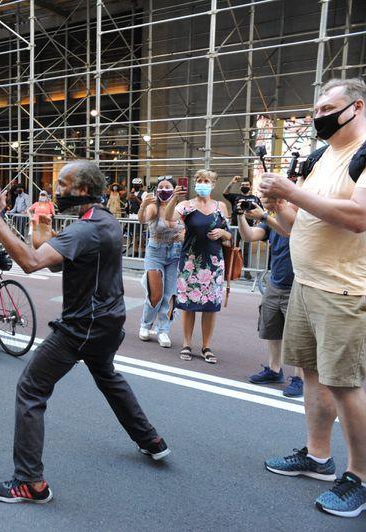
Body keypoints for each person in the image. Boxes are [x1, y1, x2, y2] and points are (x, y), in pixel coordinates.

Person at [0, 160, 169, 504]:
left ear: (83, 190)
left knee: (31, 388)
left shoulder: (84, 230)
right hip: (109, 321)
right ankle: (151, 440)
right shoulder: (103, 221)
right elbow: (52, 258)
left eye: (63, 184)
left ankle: (29, 482)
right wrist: (44, 238)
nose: (57, 189)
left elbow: (31, 263)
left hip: (83, 325)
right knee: (106, 375)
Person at [259, 78, 366, 518]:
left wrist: (290, 191)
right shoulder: (324, 157)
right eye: (316, 106)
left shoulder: (363, 155)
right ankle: (318, 456)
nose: (318, 114)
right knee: (312, 374)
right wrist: (273, 206)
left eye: (327, 106)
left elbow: (359, 218)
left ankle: (360, 477)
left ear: (356, 107)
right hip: (306, 282)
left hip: (344, 289)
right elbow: (300, 224)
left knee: (345, 384)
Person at [236, 203, 304, 398]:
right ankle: (275, 370)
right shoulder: (272, 220)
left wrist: (265, 216)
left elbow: (292, 233)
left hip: (299, 285)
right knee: (272, 329)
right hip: (275, 283)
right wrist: (240, 216)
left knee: (298, 334)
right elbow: (249, 236)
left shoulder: (303, 219)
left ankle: (299, 377)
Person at [165, 169, 232, 364]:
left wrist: (222, 233)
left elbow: (229, 236)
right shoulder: (186, 205)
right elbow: (170, 219)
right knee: (188, 306)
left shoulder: (221, 207)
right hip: (190, 262)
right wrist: (173, 200)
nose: (202, 183)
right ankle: (186, 343)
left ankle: (206, 346)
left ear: (213, 184)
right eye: (199, 180)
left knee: (210, 307)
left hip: (213, 263)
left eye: (206, 181)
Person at [137, 176, 184, 348]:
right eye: (161, 187)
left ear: (174, 189)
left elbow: (187, 226)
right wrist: (143, 205)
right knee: (155, 294)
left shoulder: (180, 208)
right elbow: (142, 219)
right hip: (155, 252)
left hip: (175, 254)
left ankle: (163, 330)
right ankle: (145, 325)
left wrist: (184, 235)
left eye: (168, 187)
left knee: (170, 295)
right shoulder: (153, 206)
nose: (164, 190)